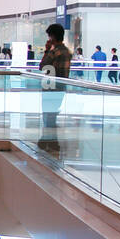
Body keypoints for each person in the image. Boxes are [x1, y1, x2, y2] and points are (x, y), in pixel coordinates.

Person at [39, 22, 72, 153]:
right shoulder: (67, 51)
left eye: (49, 37)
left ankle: (51, 141)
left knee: (48, 115)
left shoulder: (55, 52)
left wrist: (47, 50)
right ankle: (49, 140)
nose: (48, 40)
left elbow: (42, 65)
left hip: (51, 87)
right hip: (60, 88)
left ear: (53, 37)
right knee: (52, 114)